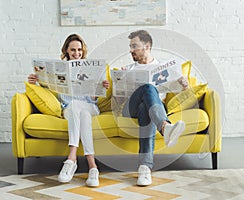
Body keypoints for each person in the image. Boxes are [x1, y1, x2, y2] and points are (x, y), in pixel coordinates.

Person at [28, 34, 110, 187]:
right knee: (79, 111)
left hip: (90, 106)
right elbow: (47, 87)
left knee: (81, 108)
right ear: (66, 50)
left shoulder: (89, 67)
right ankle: (93, 167)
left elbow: (93, 99)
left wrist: (100, 87)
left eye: (79, 50)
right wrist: (35, 81)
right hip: (70, 110)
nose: (76, 53)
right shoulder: (59, 69)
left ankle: (71, 159)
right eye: (73, 50)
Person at [119, 30, 188, 186]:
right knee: (148, 88)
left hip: (152, 109)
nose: (131, 50)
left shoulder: (163, 68)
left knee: (146, 109)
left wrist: (185, 84)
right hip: (130, 108)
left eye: (134, 46)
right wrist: (120, 81)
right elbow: (119, 98)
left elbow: (181, 90)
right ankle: (164, 127)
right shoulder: (128, 69)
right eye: (130, 47)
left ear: (147, 46)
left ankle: (144, 168)